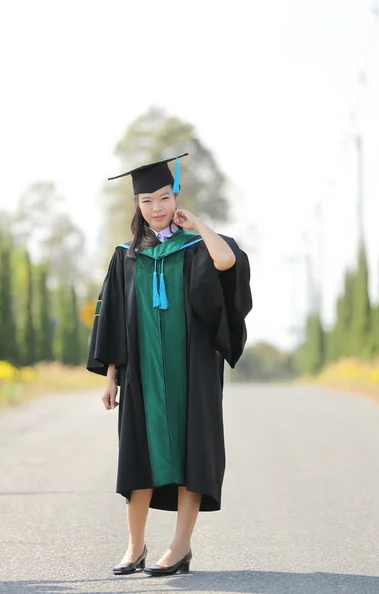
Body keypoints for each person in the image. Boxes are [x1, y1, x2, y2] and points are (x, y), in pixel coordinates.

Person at [86, 152, 252, 577]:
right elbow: (115, 320)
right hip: (141, 373)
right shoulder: (126, 256)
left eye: (163, 197)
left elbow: (227, 262)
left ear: (175, 196)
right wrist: (111, 376)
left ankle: (179, 549)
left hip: (191, 372)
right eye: (146, 201)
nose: (156, 208)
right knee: (137, 454)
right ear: (137, 206)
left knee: (190, 452)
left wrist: (196, 225)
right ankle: (135, 546)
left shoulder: (197, 247)